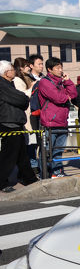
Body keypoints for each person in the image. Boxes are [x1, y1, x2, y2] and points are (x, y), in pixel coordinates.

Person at [0, 60, 39, 192]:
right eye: (12, 69)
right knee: (9, 155)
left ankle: (29, 178)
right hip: (8, 123)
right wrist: (23, 98)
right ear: (6, 72)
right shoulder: (2, 84)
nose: (14, 71)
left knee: (22, 154)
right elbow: (21, 99)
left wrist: (22, 99)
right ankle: (2, 183)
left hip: (14, 122)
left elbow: (21, 100)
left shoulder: (8, 84)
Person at [38, 57, 77, 178]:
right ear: (49, 69)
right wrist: (67, 95)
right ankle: (44, 174)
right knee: (47, 151)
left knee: (59, 151)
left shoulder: (61, 82)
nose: (61, 70)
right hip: (50, 121)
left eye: (61, 67)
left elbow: (74, 94)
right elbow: (58, 98)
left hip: (62, 121)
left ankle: (57, 172)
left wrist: (68, 81)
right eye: (57, 68)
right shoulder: (45, 82)